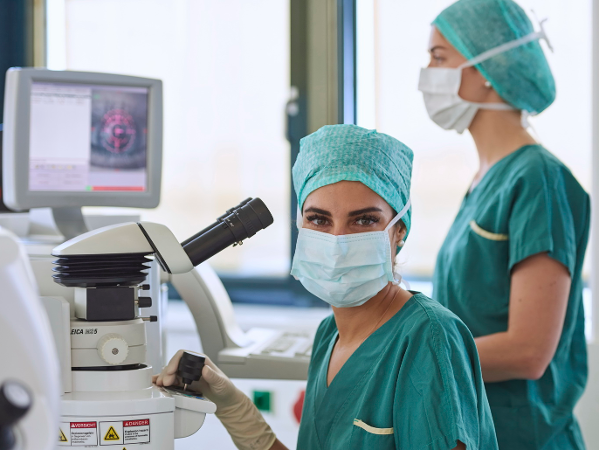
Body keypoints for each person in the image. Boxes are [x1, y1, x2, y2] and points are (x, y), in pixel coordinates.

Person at [155, 124, 498, 450]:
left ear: (399, 231)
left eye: (364, 220)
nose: (338, 240)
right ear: (300, 226)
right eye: (319, 219)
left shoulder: (429, 338)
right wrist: (230, 404)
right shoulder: (328, 336)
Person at [418, 1, 591, 448]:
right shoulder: (484, 180)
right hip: (477, 428)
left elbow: (528, 352)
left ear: (487, 67)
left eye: (439, 57)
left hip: (524, 435)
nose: (427, 74)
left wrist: (413, 354)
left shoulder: (538, 178)